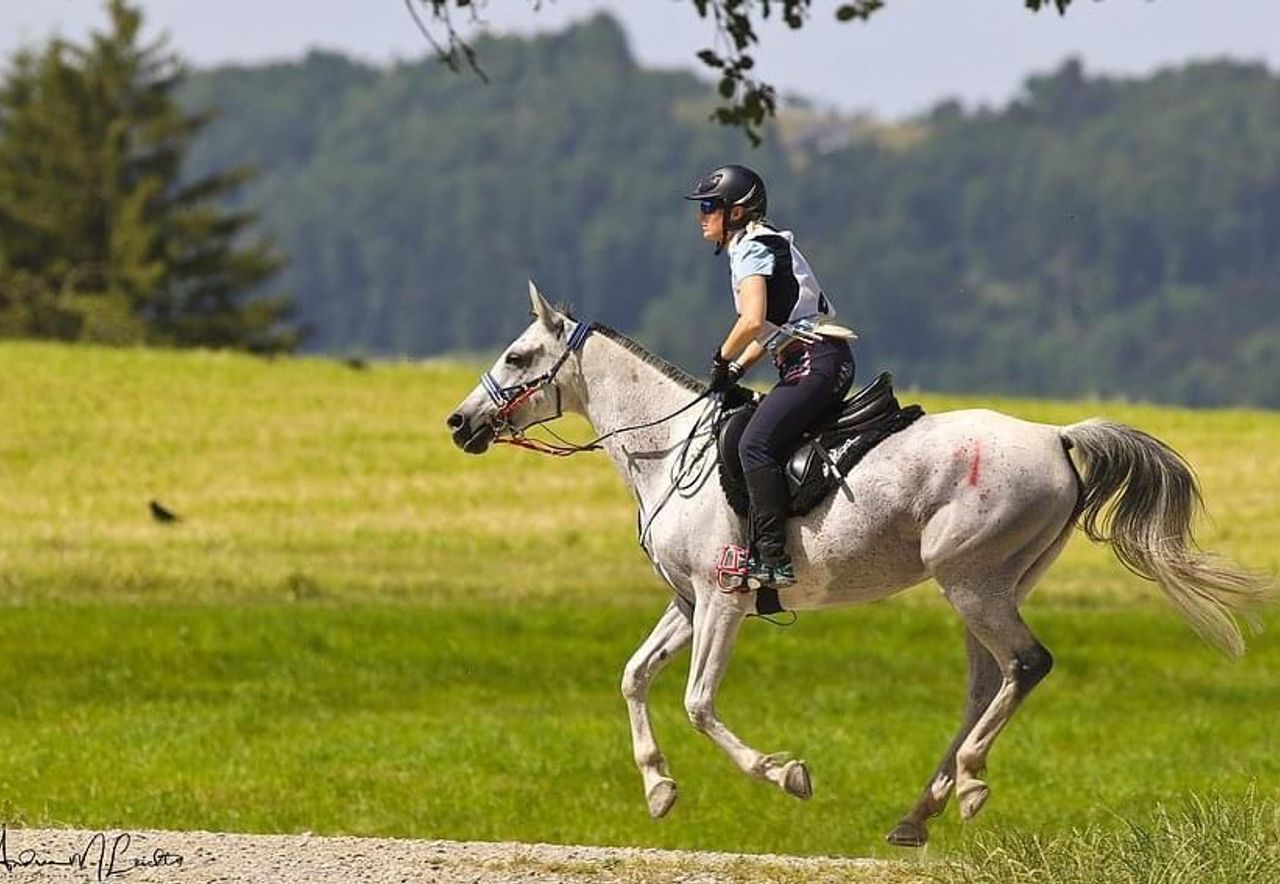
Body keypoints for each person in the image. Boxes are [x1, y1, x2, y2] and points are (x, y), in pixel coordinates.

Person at [686, 164, 854, 589]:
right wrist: (737, 370)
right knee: (748, 431)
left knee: (754, 444)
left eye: (709, 207)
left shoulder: (750, 248)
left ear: (736, 212)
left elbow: (752, 320)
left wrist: (720, 360)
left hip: (814, 361)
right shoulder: (761, 241)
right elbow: (777, 330)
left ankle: (772, 559)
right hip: (815, 358)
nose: (701, 216)